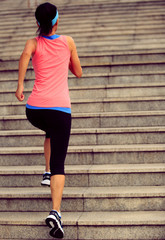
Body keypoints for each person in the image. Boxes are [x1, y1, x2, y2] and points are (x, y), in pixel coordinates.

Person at [15, 2, 82, 238]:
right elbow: (78, 72)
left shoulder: (32, 43)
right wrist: (67, 59)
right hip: (59, 109)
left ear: (37, 23)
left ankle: (45, 172)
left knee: (50, 131)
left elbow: (24, 56)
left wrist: (21, 84)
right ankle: (55, 212)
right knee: (59, 164)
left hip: (34, 110)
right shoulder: (68, 42)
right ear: (57, 21)